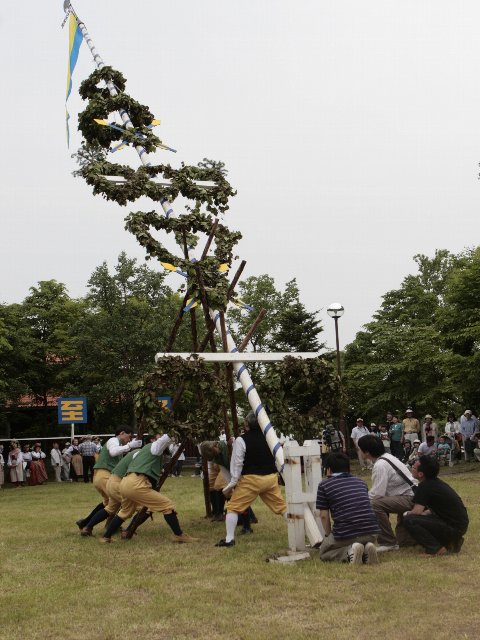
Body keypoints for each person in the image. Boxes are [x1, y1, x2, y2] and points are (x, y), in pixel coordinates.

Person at [99, 433, 197, 544]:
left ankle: (105, 537)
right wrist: (175, 431)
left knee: (125, 511)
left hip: (125, 482)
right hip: (136, 484)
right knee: (167, 506)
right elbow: (164, 439)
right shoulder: (154, 447)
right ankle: (179, 535)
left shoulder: (142, 451)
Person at [215, 411, 287, 548]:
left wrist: (232, 483)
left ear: (246, 424)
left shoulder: (241, 440)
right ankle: (298, 532)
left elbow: (237, 464)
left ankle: (229, 539)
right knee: (282, 507)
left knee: (232, 508)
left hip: (251, 480)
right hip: (271, 478)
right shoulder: (271, 438)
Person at [316, 452, 380, 564]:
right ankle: (366, 549)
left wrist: (328, 535)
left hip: (345, 534)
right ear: (348, 468)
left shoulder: (324, 485)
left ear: (329, 469)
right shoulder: (361, 482)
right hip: (372, 532)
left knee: (324, 552)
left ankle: (349, 552)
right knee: (361, 541)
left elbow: (324, 516)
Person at [76, 426, 141, 535]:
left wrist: (128, 446)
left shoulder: (119, 444)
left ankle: (86, 525)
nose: (129, 440)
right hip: (104, 476)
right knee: (124, 500)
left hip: (103, 476)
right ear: (122, 433)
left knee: (109, 504)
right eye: (129, 437)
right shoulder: (113, 440)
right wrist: (130, 446)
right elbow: (113, 452)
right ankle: (107, 526)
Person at [357, 435, 417, 552]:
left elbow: (377, 494)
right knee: (405, 543)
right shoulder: (387, 457)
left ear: (367, 452)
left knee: (373, 504)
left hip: (409, 498)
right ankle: (407, 540)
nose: (359, 451)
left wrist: (359, 501)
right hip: (412, 496)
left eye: (360, 449)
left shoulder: (380, 465)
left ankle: (388, 542)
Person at [403, 456, 468, 556]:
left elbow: (416, 512)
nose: (412, 467)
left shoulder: (424, 486)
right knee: (422, 517)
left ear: (421, 474)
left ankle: (435, 548)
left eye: (414, 467)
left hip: (453, 527)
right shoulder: (435, 483)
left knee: (409, 519)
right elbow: (437, 509)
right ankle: (451, 542)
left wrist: (406, 513)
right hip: (459, 526)